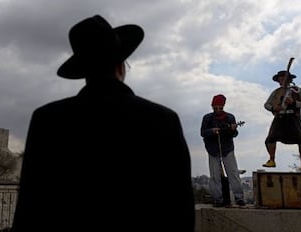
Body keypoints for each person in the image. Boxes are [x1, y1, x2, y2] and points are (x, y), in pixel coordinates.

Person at [11, 15, 195, 232]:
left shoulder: (47, 120)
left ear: (83, 71)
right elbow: (180, 210)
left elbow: (30, 209)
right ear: (121, 66)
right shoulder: (164, 119)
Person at [262, 70, 301, 172]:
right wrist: (273, 108)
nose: (282, 80)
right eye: (280, 78)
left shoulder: (297, 90)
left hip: (293, 118)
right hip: (280, 118)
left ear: (289, 79)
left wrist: (294, 103)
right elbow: (266, 105)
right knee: (270, 139)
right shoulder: (276, 92)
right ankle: (271, 160)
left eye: (284, 77)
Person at [200, 94, 245, 207]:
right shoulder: (207, 118)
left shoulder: (230, 117)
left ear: (223, 106)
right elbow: (203, 133)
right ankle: (217, 199)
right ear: (212, 106)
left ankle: (239, 198)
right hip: (212, 149)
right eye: (215, 108)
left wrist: (233, 130)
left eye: (220, 107)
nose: (218, 110)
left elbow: (234, 134)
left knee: (233, 173)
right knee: (215, 176)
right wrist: (212, 131)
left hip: (227, 149)